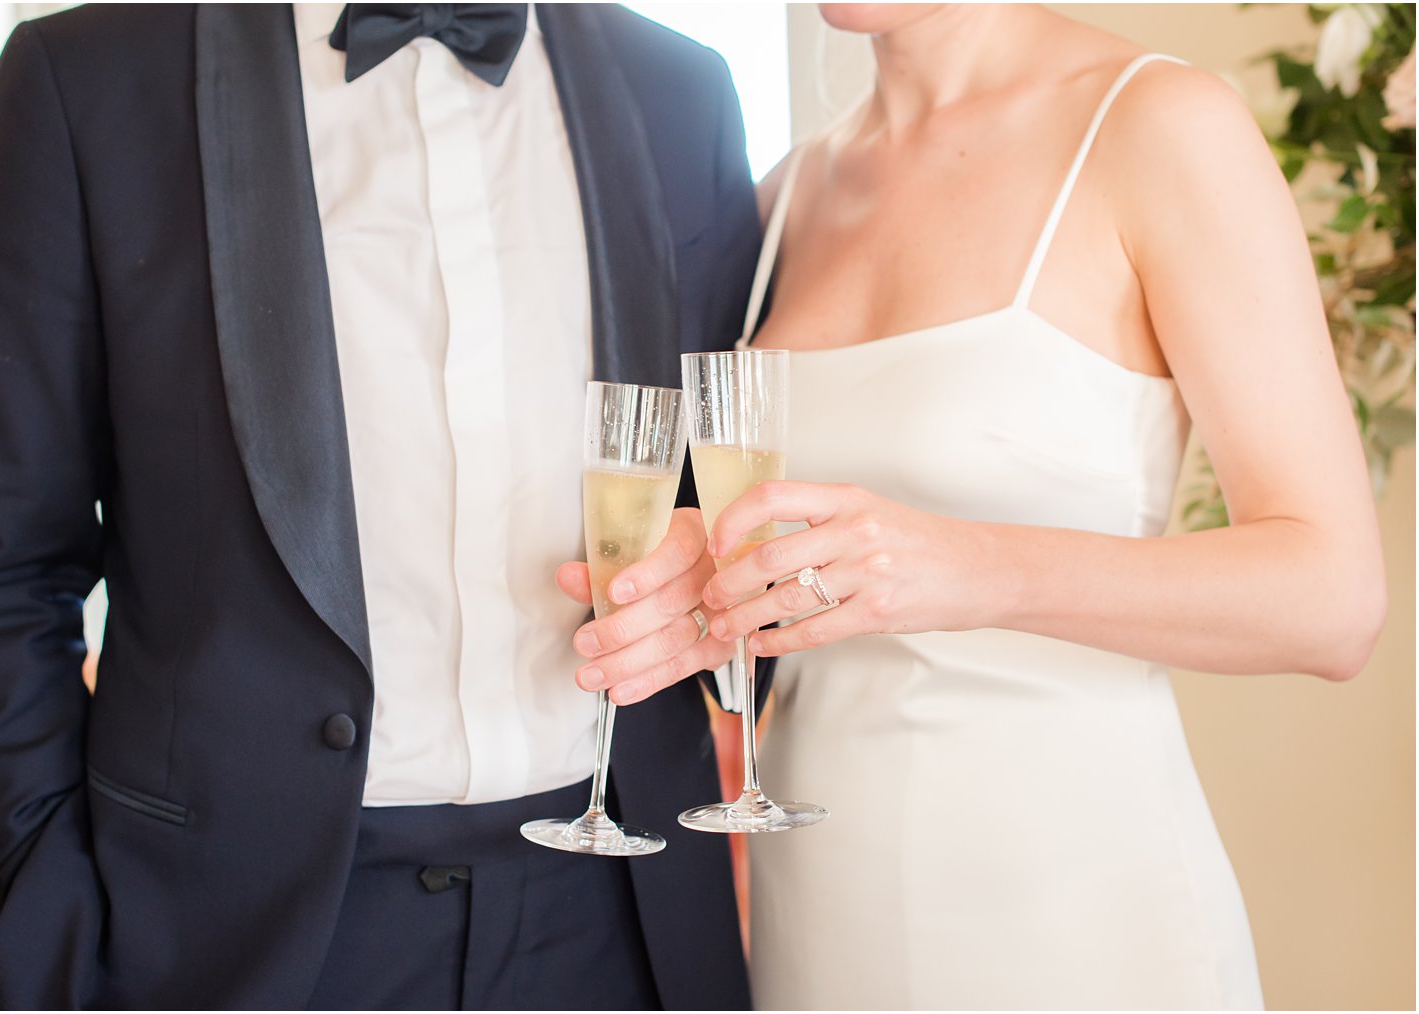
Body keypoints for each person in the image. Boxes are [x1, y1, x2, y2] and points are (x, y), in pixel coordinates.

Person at [0, 3, 760, 1008]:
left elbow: (727, 513)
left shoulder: (680, 88)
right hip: (233, 940)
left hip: (619, 925)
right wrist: (44, 915)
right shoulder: (85, 78)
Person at [591, 4, 1388, 1010]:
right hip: (814, 924)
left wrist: (959, 566)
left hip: (1076, 920)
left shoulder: (1157, 124)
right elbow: (776, 576)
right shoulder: (786, 191)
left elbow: (1332, 600)